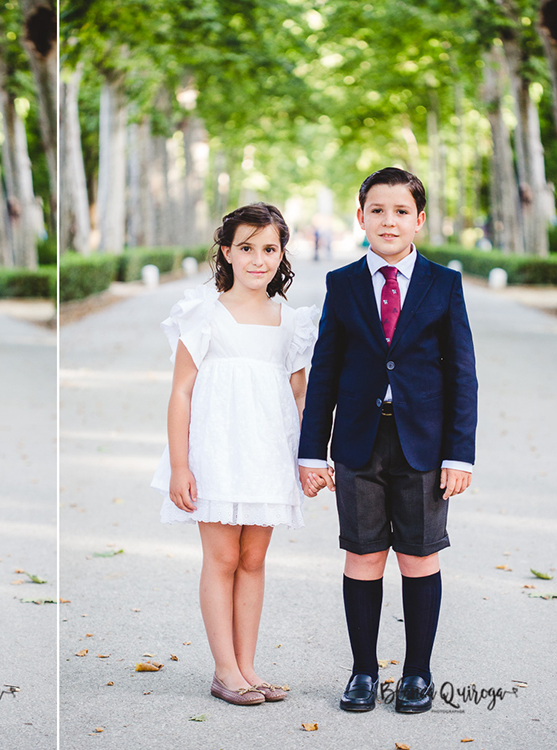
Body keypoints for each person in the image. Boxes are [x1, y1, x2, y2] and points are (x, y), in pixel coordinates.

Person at [298, 167, 477, 715]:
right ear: (361, 218)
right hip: (358, 442)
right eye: (377, 210)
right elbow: (324, 370)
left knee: (420, 557)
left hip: (424, 445)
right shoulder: (343, 283)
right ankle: (363, 672)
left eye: (401, 211)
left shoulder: (444, 283)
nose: (389, 220)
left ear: (419, 220)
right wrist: (311, 451)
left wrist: (459, 453)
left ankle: (418, 674)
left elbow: (462, 372)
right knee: (363, 555)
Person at [151, 203, 318, 706]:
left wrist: (310, 458)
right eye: (246, 248)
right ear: (226, 252)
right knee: (221, 557)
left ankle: (248, 666)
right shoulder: (203, 313)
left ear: (282, 254)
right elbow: (181, 392)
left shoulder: (293, 321)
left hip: (269, 449)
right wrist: (181, 465)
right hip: (217, 449)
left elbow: (300, 396)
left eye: (269, 249)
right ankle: (224, 669)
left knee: (253, 559)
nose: (258, 258)